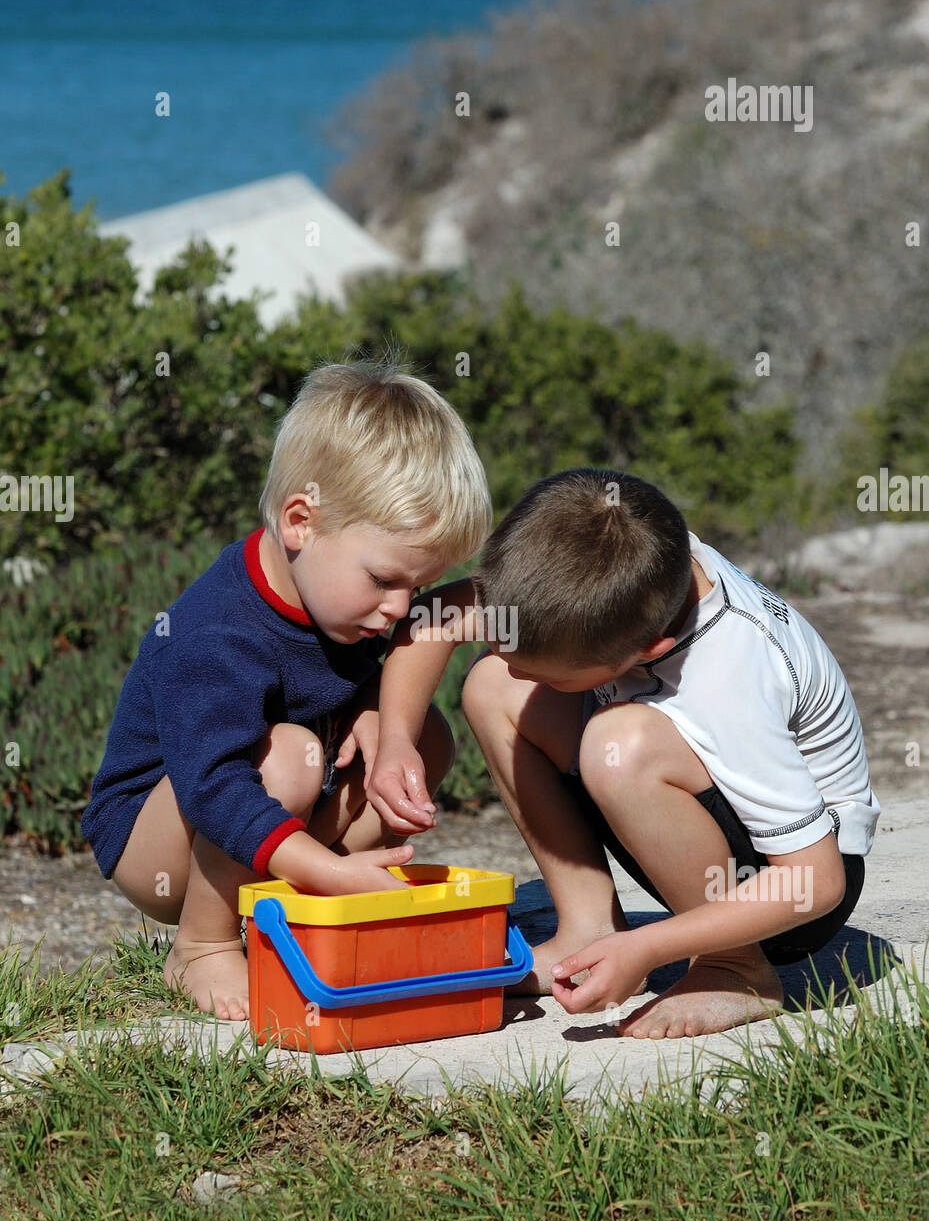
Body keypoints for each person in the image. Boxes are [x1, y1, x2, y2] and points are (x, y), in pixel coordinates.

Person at [368, 468, 879, 1039]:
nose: (517, 668)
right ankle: (589, 929)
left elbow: (817, 881)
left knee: (619, 745)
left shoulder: (731, 676)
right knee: (492, 687)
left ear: (649, 650)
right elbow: (434, 617)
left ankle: (734, 968)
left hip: (787, 893)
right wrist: (395, 742)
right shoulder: (623, 573)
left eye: (543, 670)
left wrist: (649, 945)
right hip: (713, 837)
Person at [81, 358, 492, 1019]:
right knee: (289, 756)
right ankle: (202, 943)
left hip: (268, 805)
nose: (398, 606)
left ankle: (295, 912)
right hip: (159, 835)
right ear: (300, 521)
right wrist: (326, 867)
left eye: (415, 587)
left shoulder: (341, 597)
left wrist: (373, 712)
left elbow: (364, 669)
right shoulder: (220, 632)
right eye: (385, 579)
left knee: (421, 730)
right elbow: (214, 782)